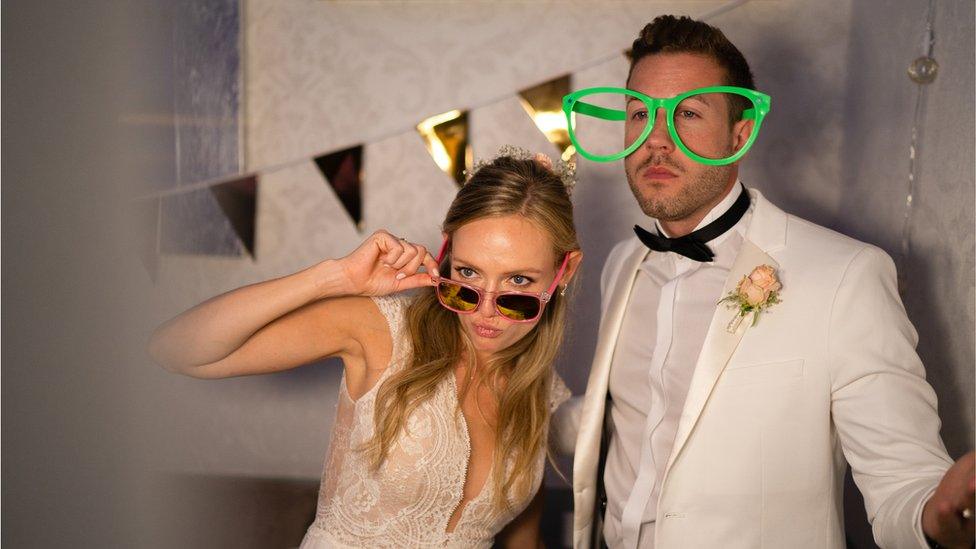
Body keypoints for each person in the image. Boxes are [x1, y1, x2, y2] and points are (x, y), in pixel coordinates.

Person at [561, 15, 975, 549]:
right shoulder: (621, 263)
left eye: (687, 113)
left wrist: (939, 517)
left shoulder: (846, 276)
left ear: (741, 131)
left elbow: (902, 479)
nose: (656, 139)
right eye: (640, 112)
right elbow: (624, 419)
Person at [148, 149, 583, 548]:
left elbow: (524, 533)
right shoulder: (381, 331)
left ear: (564, 273)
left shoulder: (539, 388)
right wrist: (335, 279)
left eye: (518, 283)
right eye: (467, 274)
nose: (485, 311)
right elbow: (176, 349)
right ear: (447, 252)